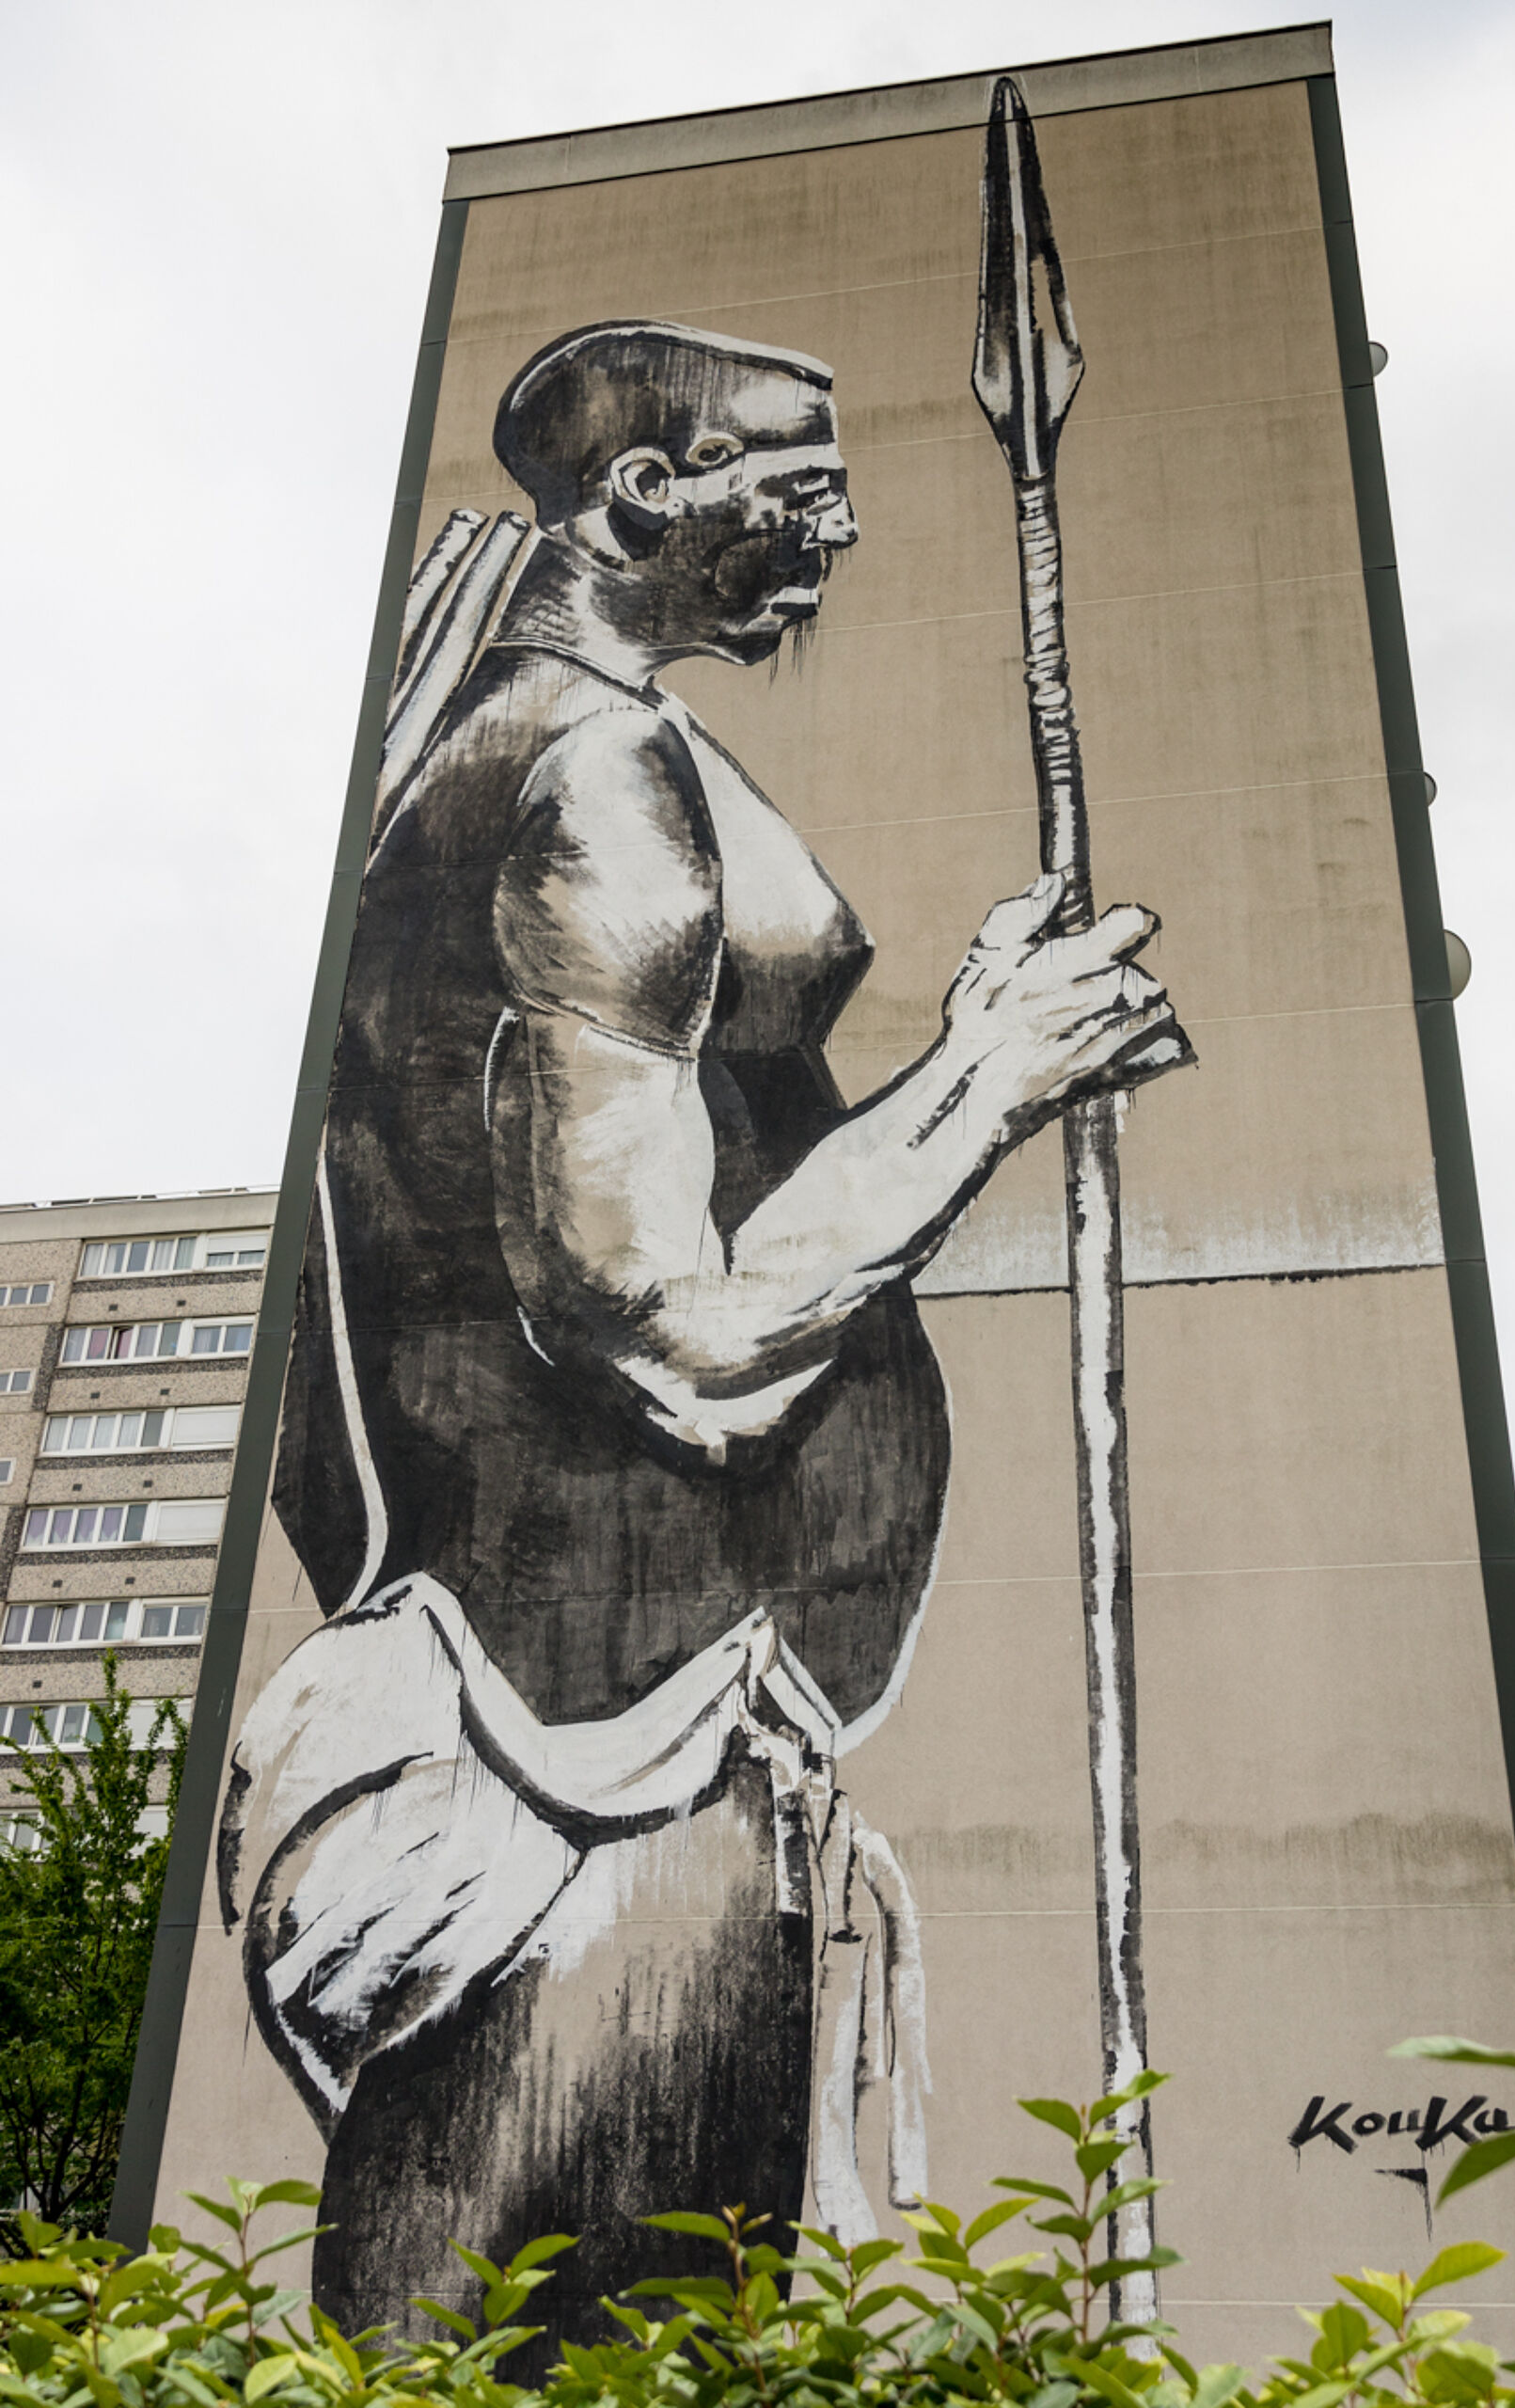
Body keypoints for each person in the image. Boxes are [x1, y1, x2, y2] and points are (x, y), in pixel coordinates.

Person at [223, 320, 1188, 2348]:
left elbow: (705, 1184)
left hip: (656, 1749)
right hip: (581, 1783)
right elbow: (664, 1327)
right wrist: (989, 1082)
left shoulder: (573, 749)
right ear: (643, 494)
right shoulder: (589, 770)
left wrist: (957, 1056)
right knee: (560, 2347)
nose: (834, 533)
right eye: (796, 488)